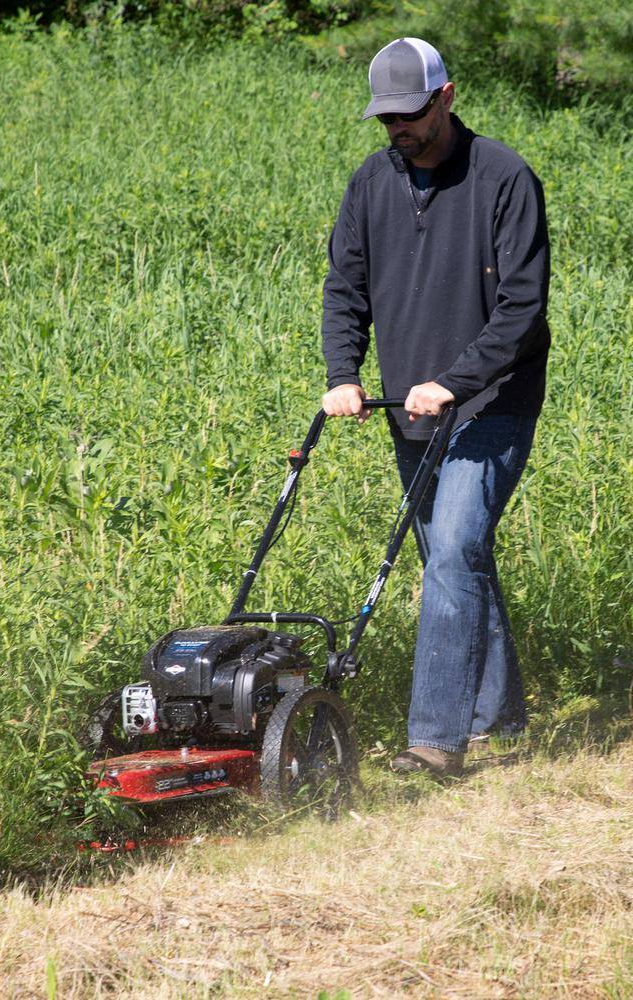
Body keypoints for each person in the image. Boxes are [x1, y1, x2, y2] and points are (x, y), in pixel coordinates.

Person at [320, 37, 550, 777]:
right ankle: (499, 719)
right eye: (386, 118)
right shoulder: (370, 183)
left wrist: (455, 379)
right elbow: (344, 289)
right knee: (455, 556)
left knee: (451, 551)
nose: (399, 130)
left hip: (493, 401)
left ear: (446, 96)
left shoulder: (505, 177)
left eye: (411, 114)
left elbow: (521, 309)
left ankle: (435, 741)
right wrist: (343, 372)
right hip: (408, 408)